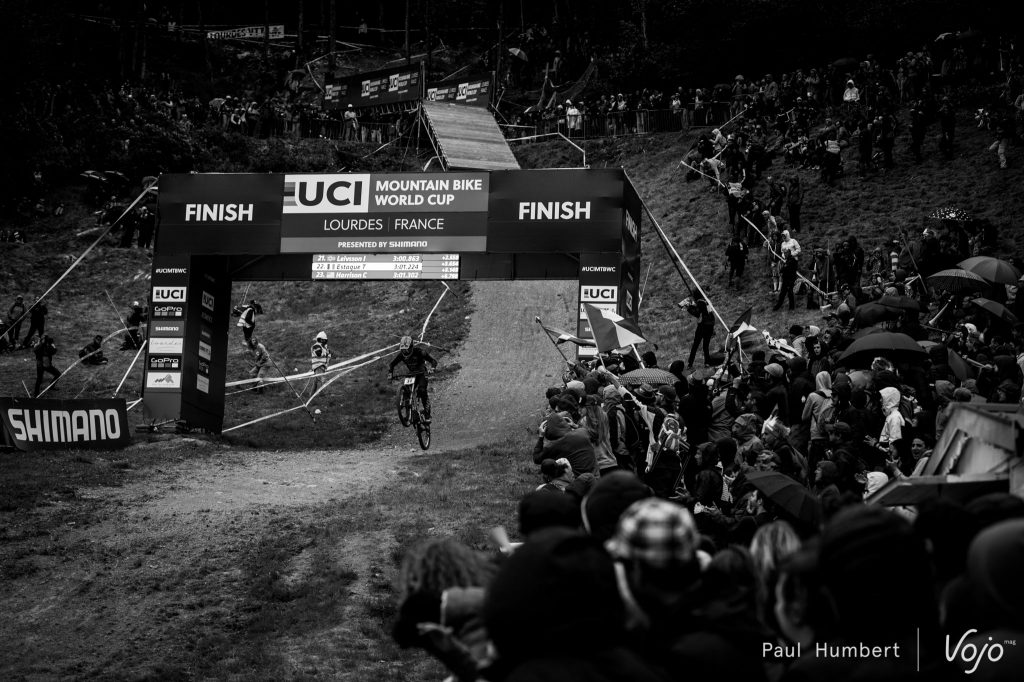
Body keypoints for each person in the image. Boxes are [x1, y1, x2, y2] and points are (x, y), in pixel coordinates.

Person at [388, 335, 438, 421]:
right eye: (403, 350)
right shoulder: (401, 355)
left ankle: (427, 414)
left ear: (411, 347)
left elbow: (433, 361)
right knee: (406, 392)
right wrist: (390, 374)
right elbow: (392, 364)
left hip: (421, 373)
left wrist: (432, 368)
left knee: (422, 391)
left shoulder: (420, 352)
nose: (405, 352)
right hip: (411, 374)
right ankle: (408, 415)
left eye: (407, 350)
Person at [683, 294, 716, 368]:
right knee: (705, 346)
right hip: (710, 326)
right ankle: (707, 362)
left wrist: (689, 308)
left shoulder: (700, 302)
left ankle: (690, 364)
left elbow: (697, 313)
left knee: (695, 345)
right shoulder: (706, 301)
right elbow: (706, 312)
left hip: (703, 326)